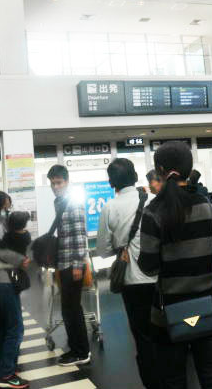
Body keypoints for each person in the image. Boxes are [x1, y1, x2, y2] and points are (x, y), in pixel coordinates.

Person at [138, 141, 212, 389]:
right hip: (209, 307)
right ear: (188, 170)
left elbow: (149, 267)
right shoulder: (209, 206)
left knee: (174, 380)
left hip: (168, 314)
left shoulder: (153, 212)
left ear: (160, 169)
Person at [97, 158, 158, 389]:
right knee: (166, 331)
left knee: (143, 337)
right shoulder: (153, 199)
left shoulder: (110, 207)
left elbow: (102, 250)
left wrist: (121, 246)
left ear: (111, 182)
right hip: (160, 277)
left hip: (132, 281)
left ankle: (152, 383)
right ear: (135, 177)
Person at [0, 191, 30, 389]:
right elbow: (3, 252)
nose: (9, 205)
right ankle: (7, 374)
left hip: (1, 281)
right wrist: (22, 260)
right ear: (2, 204)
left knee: (4, 327)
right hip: (5, 282)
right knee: (16, 329)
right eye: (7, 202)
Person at [47, 164, 91, 366]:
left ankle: (82, 351)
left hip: (72, 264)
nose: (55, 186)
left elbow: (80, 236)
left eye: (59, 182)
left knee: (72, 309)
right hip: (63, 262)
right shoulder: (60, 202)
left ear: (67, 181)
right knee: (68, 309)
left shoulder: (73, 203)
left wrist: (77, 265)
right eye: (52, 183)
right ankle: (76, 348)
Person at [0, 211, 31, 296]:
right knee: (16, 278)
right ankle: (18, 292)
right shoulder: (27, 235)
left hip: (9, 262)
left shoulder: (9, 235)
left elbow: (2, 245)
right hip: (21, 261)